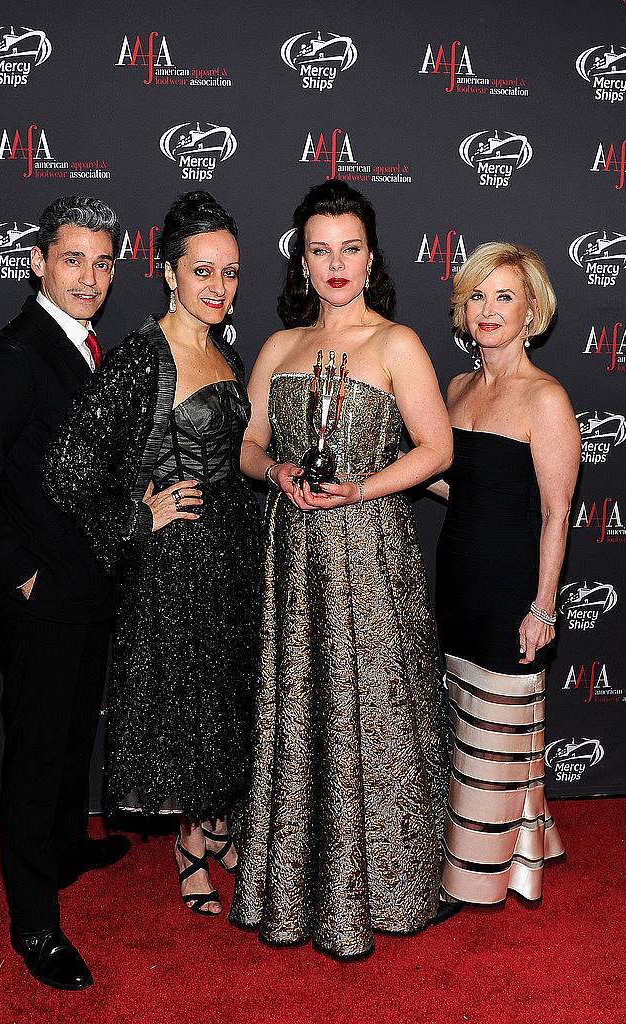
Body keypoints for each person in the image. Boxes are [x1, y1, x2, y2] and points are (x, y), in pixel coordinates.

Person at [229, 179, 453, 959]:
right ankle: (296, 884)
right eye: (319, 249)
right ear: (301, 261)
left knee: (378, 712)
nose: (335, 264)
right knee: (299, 710)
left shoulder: (398, 344)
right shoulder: (278, 348)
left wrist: (360, 486)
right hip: (293, 552)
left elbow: (437, 450)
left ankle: (391, 888)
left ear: (370, 258)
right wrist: (279, 472)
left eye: (349, 249)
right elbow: (248, 445)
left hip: (370, 550)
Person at [44, 191, 262, 919]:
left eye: (230, 273)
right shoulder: (143, 357)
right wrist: (137, 519)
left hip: (234, 550)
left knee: (226, 697)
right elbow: (69, 470)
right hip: (176, 564)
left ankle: (219, 821)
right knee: (191, 703)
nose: (218, 287)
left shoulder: (225, 346)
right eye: (202, 271)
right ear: (169, 272)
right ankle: (188, 848)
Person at [0, 196, 130, 991]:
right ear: (38, 264)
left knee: (73, 732)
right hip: (43, 597)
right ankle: (35, 924)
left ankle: (64, 842)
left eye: (104, 261)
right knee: (35, 753)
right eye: (73, 259)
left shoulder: (85, 347)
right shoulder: (16, 355)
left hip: (88, 590)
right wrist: (26, 577)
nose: (90, 277)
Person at [429, 242, 580, 908]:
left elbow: (556, 512)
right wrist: (369, 479)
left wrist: (542, 606)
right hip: (456, 575)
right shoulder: (457, 387)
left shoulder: (546, 398)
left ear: (531, 313)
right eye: (479, 296)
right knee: (469, 724)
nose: (489, 311)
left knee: (499, 726)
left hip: (510, 587)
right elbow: (458, 484)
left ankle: (474, 879)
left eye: (505, 298)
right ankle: (527, 844)